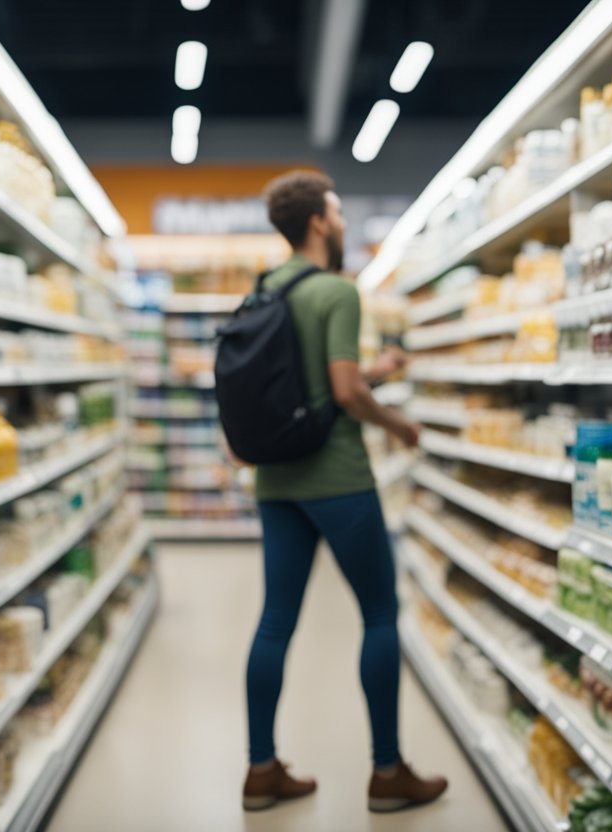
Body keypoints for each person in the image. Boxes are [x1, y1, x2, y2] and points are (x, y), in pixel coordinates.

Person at [242, 170, 447, 813]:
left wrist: (372, 373)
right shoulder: (337, 290)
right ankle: (387, 774)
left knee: (275, 620)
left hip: (276, 480)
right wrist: (400, 424)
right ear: (317, 223)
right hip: (336, 477)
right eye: (335, 209)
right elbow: (344, 393)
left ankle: (260, 770)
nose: (342, 219)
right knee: (379, 614)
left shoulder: (264, 288)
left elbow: (313, 378)